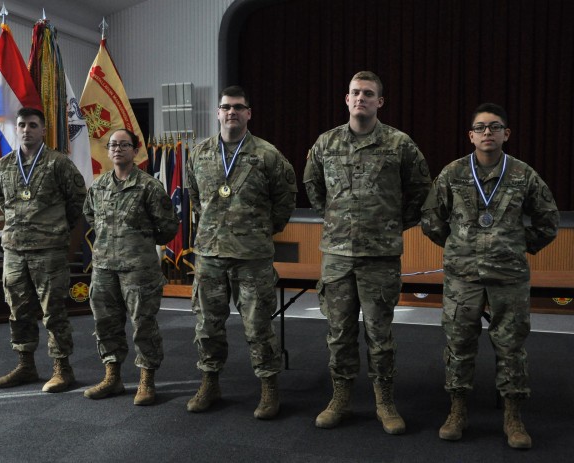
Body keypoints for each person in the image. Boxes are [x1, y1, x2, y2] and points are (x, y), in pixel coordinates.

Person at [421, 103, 559, 449]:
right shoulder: (452, 174)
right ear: (471, 135)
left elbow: (548, 221)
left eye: (494, 127)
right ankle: (457, 410)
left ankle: (513, 417)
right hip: (463, 277)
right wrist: (457, 246)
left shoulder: (523, 175)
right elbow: (431, 219)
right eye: (480, 128)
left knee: (511, 347)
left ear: (505, 134)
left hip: (508, 277)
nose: (487, 133)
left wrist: (514, 245)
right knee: (458, 345)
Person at [303, 71, 431, 433]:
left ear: (379, 102)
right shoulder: (326, 144)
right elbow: (312, 184)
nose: (361, 98)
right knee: (339, 332)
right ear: (347, 99)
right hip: (338, 255)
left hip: (380, 257)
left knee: (380, 333)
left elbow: (422, 189)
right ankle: (340, 398)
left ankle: (385, 402)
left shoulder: (399, 144)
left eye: (368, 93)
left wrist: (393, 223)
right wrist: (333, 218)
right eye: (355, 92)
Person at [185, 85, 297, 419]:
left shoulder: (267, 155)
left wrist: (262, 231)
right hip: (209, 255)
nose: (231, 112)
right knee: (206, 325)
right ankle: (209, 382)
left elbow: (285, 200)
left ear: (249, 113)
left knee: (258, 326)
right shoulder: (199, 153)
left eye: (238, 107)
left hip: (253, 257)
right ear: (217, 113)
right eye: (225, 107)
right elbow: (195, 198)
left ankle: (269, 387)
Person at [0, 107, 86, 393]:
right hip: (14, 251)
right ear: (16, 129)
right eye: (22, 125)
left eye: (33, 125)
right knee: (17, 309)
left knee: (53, 311)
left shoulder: (59, 163)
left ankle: (62, 369)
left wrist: (55, 230)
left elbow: (77, 202)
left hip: (49, 251)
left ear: (43, 130)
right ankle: (25, 365)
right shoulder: (4, 165)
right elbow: (1, 199)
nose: (26, 130)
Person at [82, 129, 179, 405]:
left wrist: (141, 241)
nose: (117, 149)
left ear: (135, 151)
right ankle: (112, 377)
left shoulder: (148, 186)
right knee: (105, 324)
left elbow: (169, 226)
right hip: (103, 267)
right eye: (113, 145)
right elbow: (90, 215)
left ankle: (147, 381)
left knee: (143, 325)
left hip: (139, 269)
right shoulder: (99, 186)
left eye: (124, 145)